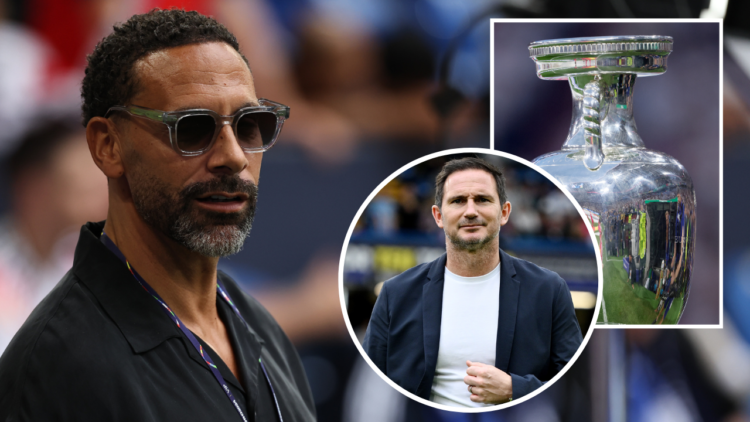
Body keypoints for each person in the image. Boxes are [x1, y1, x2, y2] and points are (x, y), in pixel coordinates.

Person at [0, 9, 315, 421]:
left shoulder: (252, 319)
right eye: (192, 128)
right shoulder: (57, 366)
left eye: (249, 124)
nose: (234, 157)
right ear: (108, 146)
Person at [362, 157, 583, 407]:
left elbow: (574, 387)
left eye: (482, 199)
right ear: (438, 215)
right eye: (457, 201)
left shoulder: (549, 289)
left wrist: (515, 389)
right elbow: (371, 386)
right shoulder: (396, 293)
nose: (470, 211)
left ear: (504, 213)